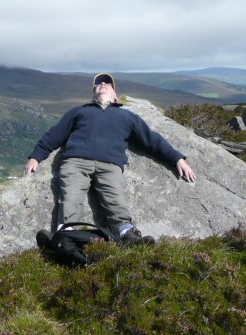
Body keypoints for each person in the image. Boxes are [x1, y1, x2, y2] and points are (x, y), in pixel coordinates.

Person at [25, 73, 196, 244]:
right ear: (93, 94)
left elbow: (151, 140)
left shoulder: (127, 116)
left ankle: (127, 234)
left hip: (110, 165)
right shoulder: (78, 112)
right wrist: (36, 157)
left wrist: (177, 159)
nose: (103, 84)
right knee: (71, 196)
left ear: (116, 96)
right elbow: (54, 135)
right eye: (98, 84)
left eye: (108, 84)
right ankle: (66, 234)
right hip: (76, 162)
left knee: (115, 198)